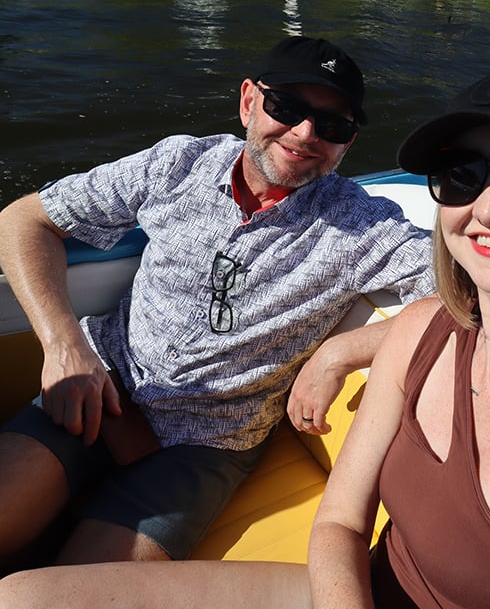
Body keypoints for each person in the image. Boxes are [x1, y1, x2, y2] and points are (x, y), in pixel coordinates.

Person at [0, 65, 490, 607]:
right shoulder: (424, 331)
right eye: (460, 177)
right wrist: (339, 350)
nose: (489, 209)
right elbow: (342, 525)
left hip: (206, 448)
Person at [0, 35, 435, 570]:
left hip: (206, 441)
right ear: (249, 101)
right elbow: (25, 220)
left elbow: (472, 299)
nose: (305, 133)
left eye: (333, 125)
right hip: (101, 379)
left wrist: (340, 354)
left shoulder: (363, 226)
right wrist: (65, 346)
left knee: (74, 593)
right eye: (288, 107)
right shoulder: (177, 164)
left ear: (347, 143)